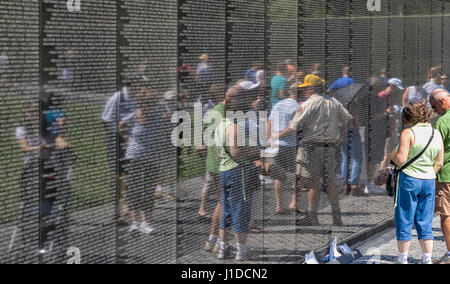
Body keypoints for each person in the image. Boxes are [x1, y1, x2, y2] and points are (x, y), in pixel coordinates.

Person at [277, 74, 353, 226]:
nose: (304, 91)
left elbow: (294, 126)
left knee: (314, 183)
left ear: (311, 90)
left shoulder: (309, 104)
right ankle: (336, 216)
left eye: (305, 88)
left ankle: (312, 216)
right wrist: (342, 137)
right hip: (330, 147)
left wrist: (276, 135)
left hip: (311, 148)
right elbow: (347, 120)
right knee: (330, 180)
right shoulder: (334, 102)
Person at [390, 102, 444, 264]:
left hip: (409, 179)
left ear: (408, 117)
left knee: (405, 217)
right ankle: (426, 258)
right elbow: (439, 162)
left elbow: (400, 159)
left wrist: (392, 154)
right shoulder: (436, 133)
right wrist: (429, 174)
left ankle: (403, 258)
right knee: (425, 219)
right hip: (428, 179)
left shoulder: (408, 133)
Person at [215, 86, 262, 261]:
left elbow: (220, 153)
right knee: (240, 210)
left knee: (226, 211)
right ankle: (241, 251)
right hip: (238, 172)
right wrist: (255, 151)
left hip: (224, 170)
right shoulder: (235, 129)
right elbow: (236, 153)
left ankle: (223, 248)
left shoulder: (221, 126)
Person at [120, 88, 163, 234]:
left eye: (153, 104)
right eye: (149, 104)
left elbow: (159, 136)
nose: (151, 106)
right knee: (134, 189)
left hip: (150, 157)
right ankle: (135, 222)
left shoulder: (157, 117)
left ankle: (146, 222)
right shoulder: (133, 116)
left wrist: (158, 155)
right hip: (134, 157)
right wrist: (127, 139)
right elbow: (121, 126)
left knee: (148, 190)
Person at [266, 84, 300, 214]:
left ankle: (279, 206)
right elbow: (293, 127)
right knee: (298, 175)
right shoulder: (297, 107)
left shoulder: (277, 104)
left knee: (279, 176)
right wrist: (279, 135)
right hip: (290, 145)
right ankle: (293, 203)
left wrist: (270, 138)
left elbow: (269, 122)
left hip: (275, 145)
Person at [429, 89, 450, 264]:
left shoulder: (443, 122)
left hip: (446, 175)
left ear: (442, 102)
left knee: (447, 214)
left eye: (434, 106)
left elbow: (435, 150)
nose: (434, 111)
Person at [379, 78, 405, 169]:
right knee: (387, 154)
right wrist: (385, 112)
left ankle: (382, 173)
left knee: (389, 153)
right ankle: (380, 174)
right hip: (382, 128)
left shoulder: (393, 97)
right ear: (391, 86)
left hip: (392, 127)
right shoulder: (381, 96)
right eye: (396, 88)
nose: (397, 91)